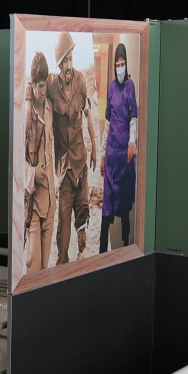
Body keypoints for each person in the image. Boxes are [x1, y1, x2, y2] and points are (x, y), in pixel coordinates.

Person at [48, 32, 98, 264]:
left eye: (71, 59)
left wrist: (95, 148)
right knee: (63, 226)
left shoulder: (80, 82)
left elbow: (88, 114)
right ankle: (62, 262)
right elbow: (33, 91)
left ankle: (82, 239)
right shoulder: (51, 85)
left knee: (83, 219)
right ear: (59, 64)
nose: (68, 65)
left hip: (81, 160)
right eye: (64, 61)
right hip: (65, 168)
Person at [99, 43, 138, 253]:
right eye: (117, 64)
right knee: (107, 204)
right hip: (112, 154)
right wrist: (103, 155)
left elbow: (133, 117)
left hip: (125, 154)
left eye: (123, 64)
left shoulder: (130, 86)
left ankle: (125, 247)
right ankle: (101, 251)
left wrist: (132, 142)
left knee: (124, 205)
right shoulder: (112, 86)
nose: (120, 67)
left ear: (126, 64)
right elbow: (107, 123)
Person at [24, 52, 55, 272]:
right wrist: (33, 173)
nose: (43, 91)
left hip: (50, 201)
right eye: (39, 86)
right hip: (32, 204)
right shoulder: (25, 115)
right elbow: (17, 160)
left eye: (45, 85)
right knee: (33, 266)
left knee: (44, 268)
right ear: (33, 84)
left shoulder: (50, 108)